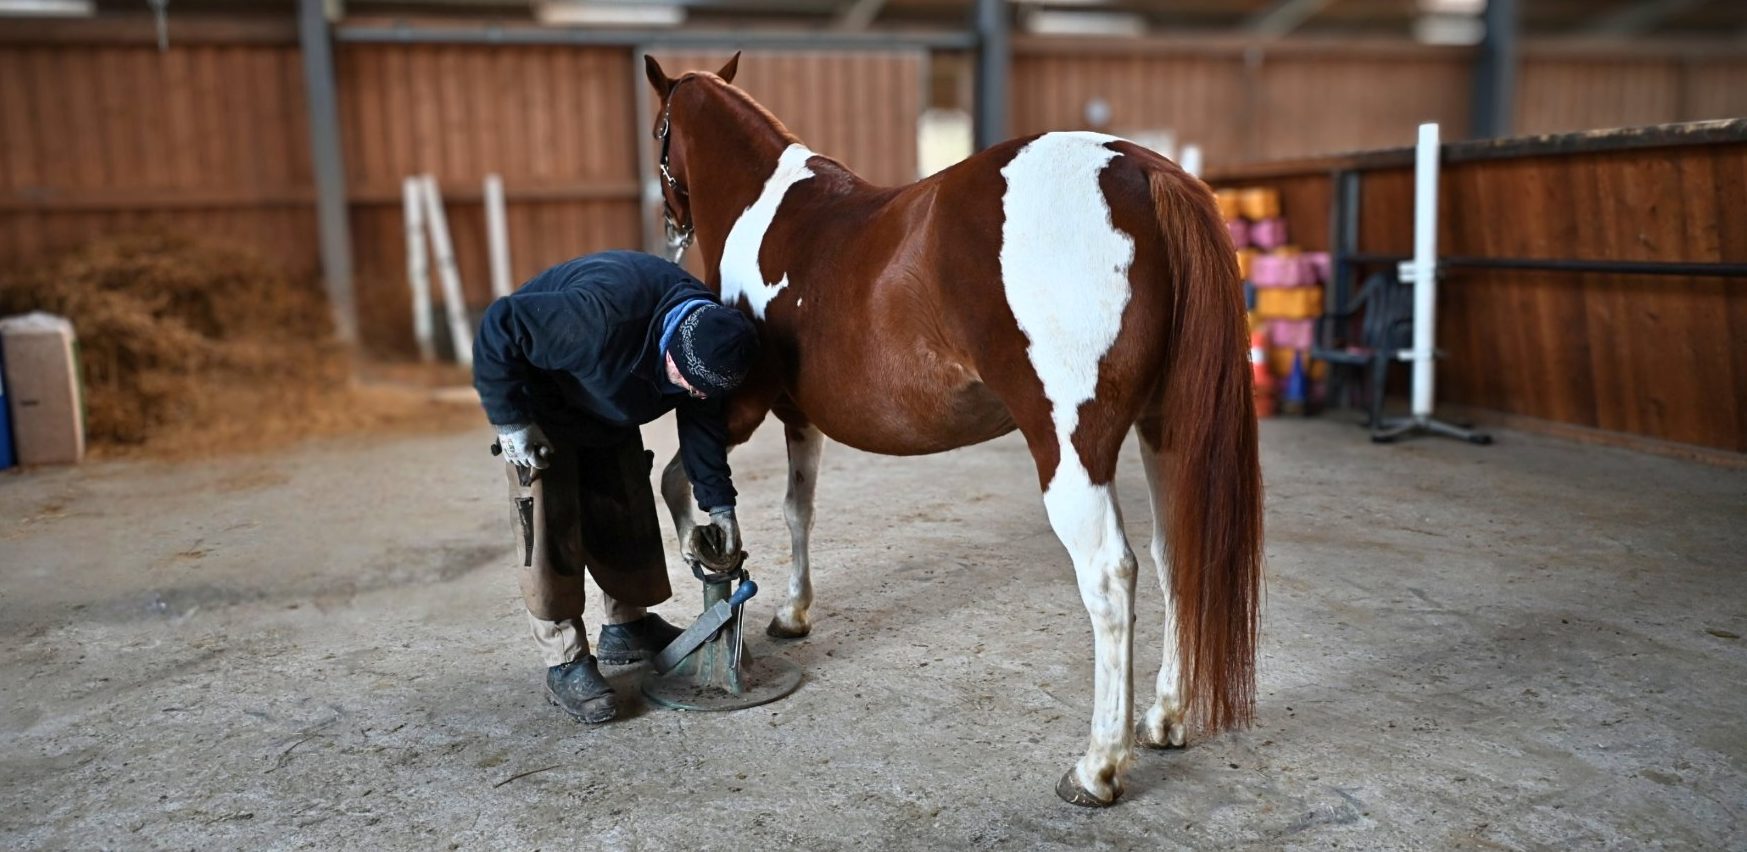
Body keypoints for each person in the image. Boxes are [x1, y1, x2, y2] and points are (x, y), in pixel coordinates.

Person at [472, 250, 759, 724]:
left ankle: (627, 628)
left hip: (610, 400)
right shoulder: (599, 321)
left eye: (699, 392)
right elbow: (500, 324)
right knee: (549, 524)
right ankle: (565, 660)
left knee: (624, 505)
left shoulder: (711, 346)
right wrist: (511, 421)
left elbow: (702, 433)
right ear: (670, 350)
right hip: (543, 402)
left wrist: (720, 507)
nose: (691, 396)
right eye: (685, 384)